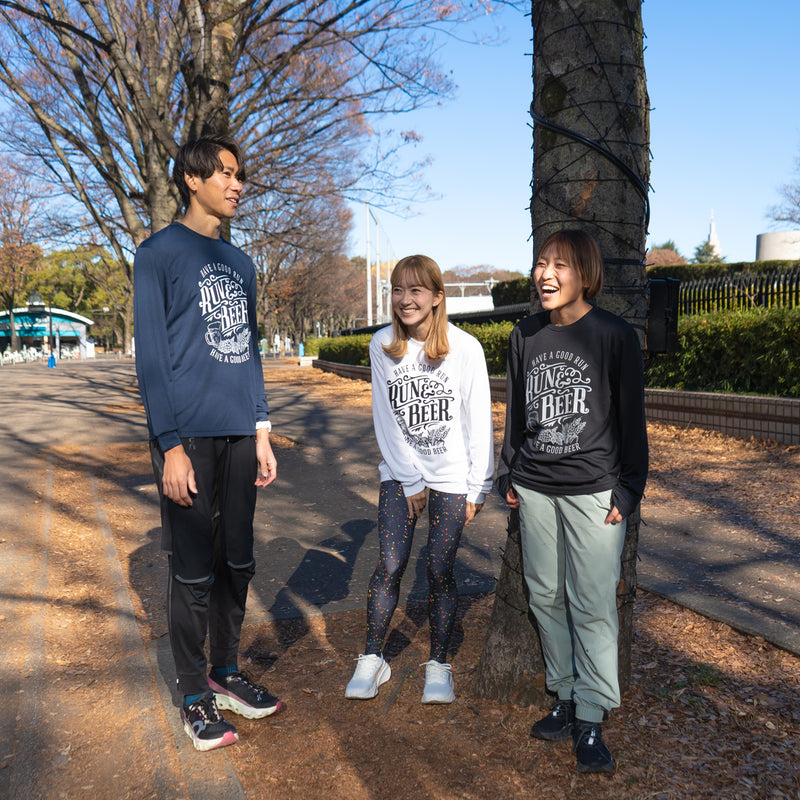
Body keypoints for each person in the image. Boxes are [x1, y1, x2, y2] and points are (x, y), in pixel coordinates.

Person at [134, 135, 283, 752]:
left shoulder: (242, 263)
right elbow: (152, 357)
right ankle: (194, 696)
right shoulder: (158, 254)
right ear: (192, 180)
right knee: (193, 571)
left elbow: (247, 354)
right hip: (187, 436)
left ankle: (225, 671)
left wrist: (263, 427)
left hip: (239, 434)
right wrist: (168, 445)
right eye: (225, 173)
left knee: (239, 559)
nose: (237, 183)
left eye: (239, 174)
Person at [496, 229, 648, 774]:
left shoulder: (613, 335)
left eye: (559, 264)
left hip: (594, 492)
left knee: (592, 604)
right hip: (535, 486)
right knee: (544, 595)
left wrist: (630, 490)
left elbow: (632, 419)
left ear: (584, 273)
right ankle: (563, 697)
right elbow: (515, 412)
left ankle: (591, 719)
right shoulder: (524, 334)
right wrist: (507, 471)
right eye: (540, 263)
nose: (546, 274)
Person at [344, 254, 494, 704]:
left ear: (436, 297)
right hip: (399, 472)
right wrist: (410, 480)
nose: (405, 300)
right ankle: (373, 658)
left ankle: (439, 664)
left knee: (439, 569)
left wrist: (478, 486)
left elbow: (479, 419)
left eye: (416, 291)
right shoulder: (383, 344)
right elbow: (386, 419)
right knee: (390, 563)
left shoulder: (466, 348)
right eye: (398, 290)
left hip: (452, 476)